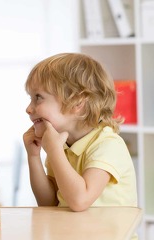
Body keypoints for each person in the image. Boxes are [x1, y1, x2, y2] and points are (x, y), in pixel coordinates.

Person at [23, 53, 137, 212]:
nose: (28, 109)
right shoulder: (60, 147)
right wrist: (33, 156)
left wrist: (55, 151)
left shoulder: (108, 145)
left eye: (38, 98)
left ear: (77, 103)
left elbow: (80, 201)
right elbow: (48, 204)